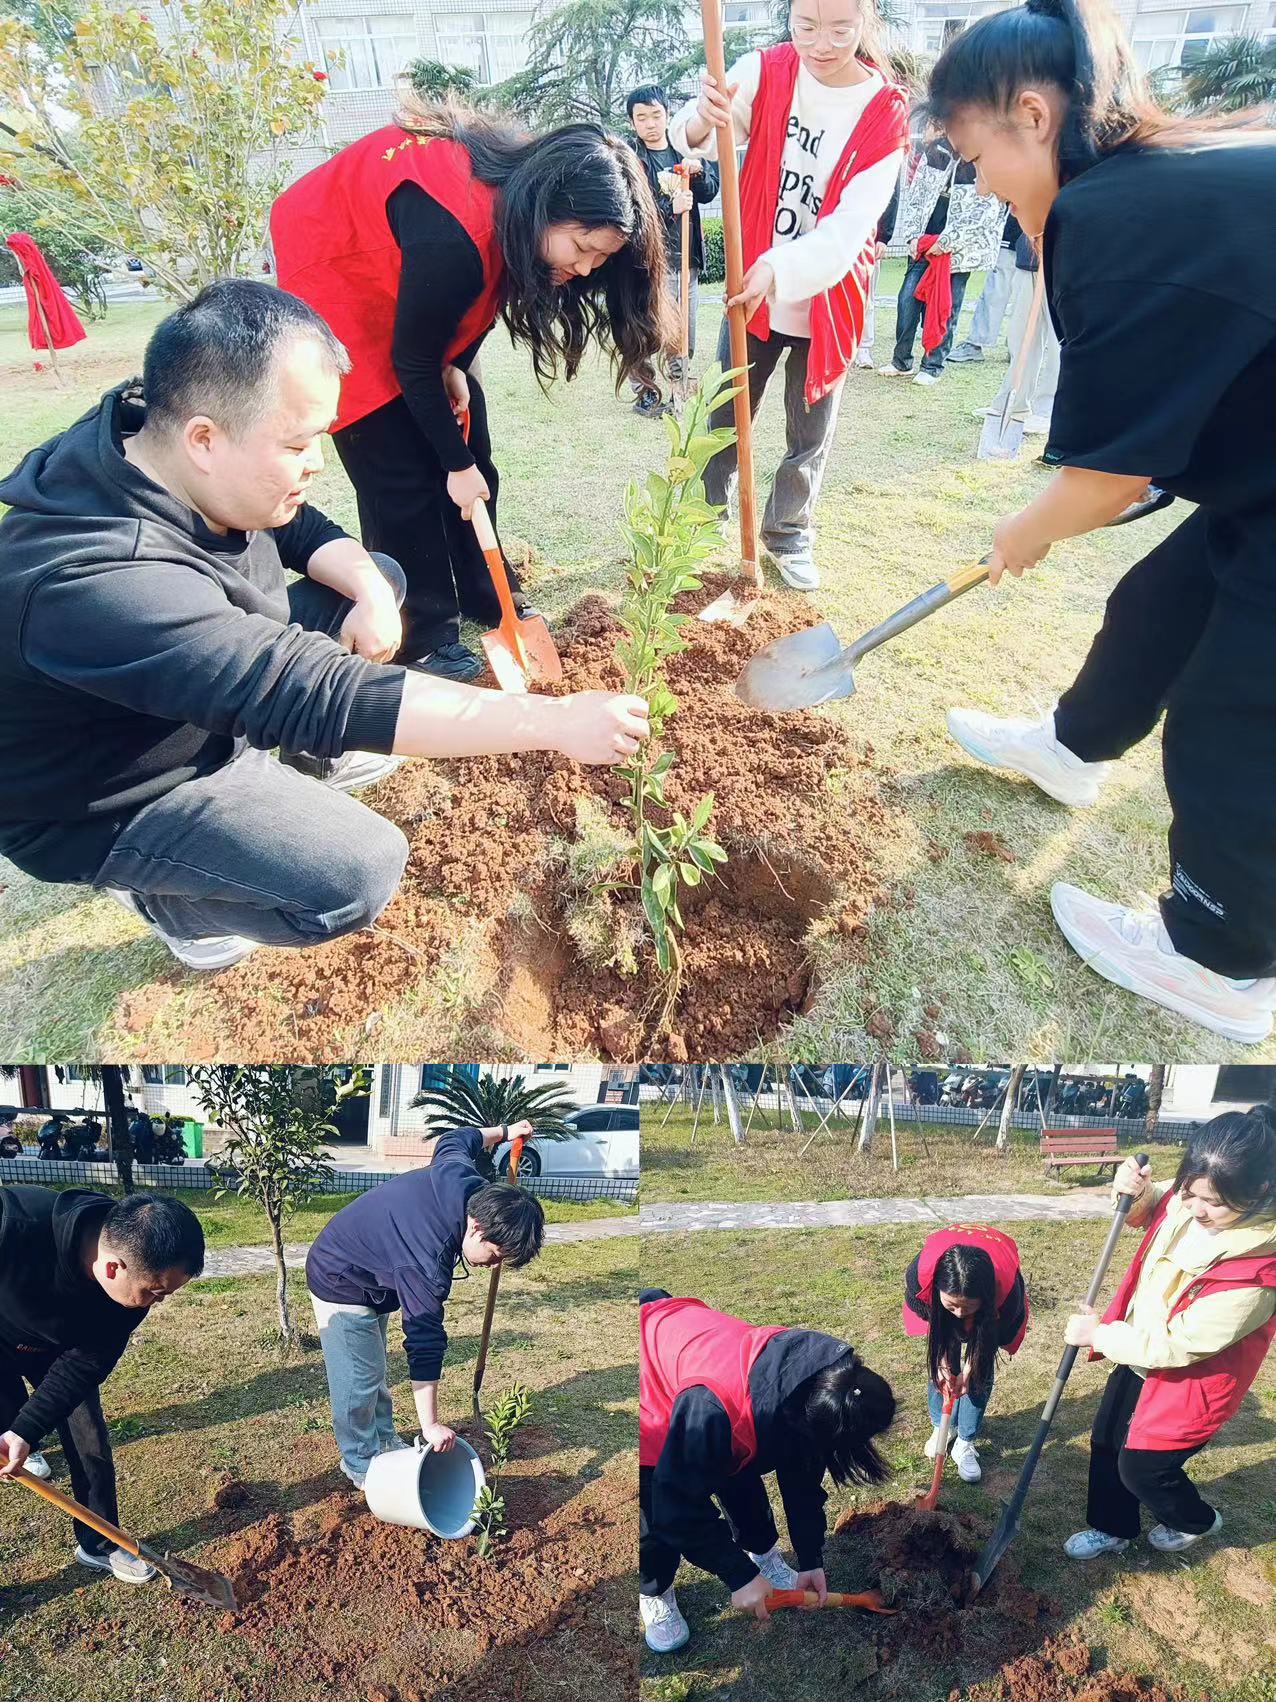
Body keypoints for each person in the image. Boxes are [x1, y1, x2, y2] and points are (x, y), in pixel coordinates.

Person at [0, 282, 649, 975]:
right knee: (356, 874)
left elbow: (297, 526)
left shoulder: (148, 439)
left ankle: (314, 760)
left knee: (383, 580)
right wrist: (553, 724)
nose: (316, 462)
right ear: (204, 439)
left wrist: (370, 588)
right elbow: (312, 691)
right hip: (115, 789)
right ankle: (172, 903)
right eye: (297, 443)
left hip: (202, 682)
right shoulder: (100, 581)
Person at [931, 0, 1276, 1044]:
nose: (976, 182)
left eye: (971, 152)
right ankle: (1072, 747)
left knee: (1235, 710)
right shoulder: (1144, 189)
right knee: (1163, 602)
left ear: (1031, 115)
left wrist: (1024, 531)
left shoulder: (1112, 218)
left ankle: (1222, 958)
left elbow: (1111, 477)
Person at [272, 101, 671, 678]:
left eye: (601, 258)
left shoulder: (518, 211)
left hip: (415, 281)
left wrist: (455, 362)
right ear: (547, 209)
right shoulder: (457, 235)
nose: (586, 269)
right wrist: (452, 463)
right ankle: (424, 636)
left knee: (473, 454)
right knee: (403, 478)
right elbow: (411, 361)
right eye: (582, 248)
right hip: (340, 271)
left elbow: (470, 307)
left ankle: (489, 594)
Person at [669, 0, 907, 591]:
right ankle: (703, 520)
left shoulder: (885, 113)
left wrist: (779, 265)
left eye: (839, 30)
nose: (820, 44)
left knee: (810, 430)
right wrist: (703, 117)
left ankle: (789, 534)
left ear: (865, 25)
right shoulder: (766, 69)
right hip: (753, 290)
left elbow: (852, 228)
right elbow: (691, 137)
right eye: (805, 27)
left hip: (829, 295)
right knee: (727, 412)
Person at [1061, 1107, 1275, 1560]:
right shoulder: (1188, 1201)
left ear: (1259, 1191)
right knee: (1105, 1442)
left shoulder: (1257, 1275)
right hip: (1137, 1352)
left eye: (1212, 1202)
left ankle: (1195, 1520)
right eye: (1190, 1191)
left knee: (1143, 1468)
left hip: (1189, 1377)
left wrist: (1099, 1335)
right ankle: (1112, 1528)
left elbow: (1177, 1344)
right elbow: (1161, 1207)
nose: (1195, 1208)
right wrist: (1137, 1193)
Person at [638, 1290, 895, 1654]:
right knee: (656, 1522)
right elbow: (676, 1506)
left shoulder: (819, 1385)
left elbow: (803, 1477)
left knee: (741, 1481)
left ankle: (765, 1556)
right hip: (655, 1380)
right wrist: (737, 1576)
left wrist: (811, 1559)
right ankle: (655, 1590)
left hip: (708, 1365)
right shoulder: (711, 1411)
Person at [304, 1120, 544, 1488]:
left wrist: (505, 1131)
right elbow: (425, 1339)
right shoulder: (426, 1259)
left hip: (377, 1268)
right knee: (358, 1377)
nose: (493, 1265)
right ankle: (361, 1463)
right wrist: (430, 1424)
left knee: (372, 1368)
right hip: (340, 1275)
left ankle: (384, 1441)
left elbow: (457, 1138)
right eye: (495, 1255)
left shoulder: (460, 1175)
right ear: (477, 1228)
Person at [0, 1189, 205, 1582]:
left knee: (88, 1440)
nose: (157, 1303)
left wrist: (26, 1428)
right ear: (114, 1268)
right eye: (156, 1292)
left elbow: (83, 1366)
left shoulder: (129, 1299)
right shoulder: (13, 1226)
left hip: (60, 1351)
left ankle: (99, 1543)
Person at [877, 127, 1008, 385]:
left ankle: (933, 366)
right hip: (924, 243)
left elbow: (985, 214)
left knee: (946, 309)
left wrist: (948, 242)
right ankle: (901, 360)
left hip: (956, 254)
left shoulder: (984, 159)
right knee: (907, 300)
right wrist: (914, 236)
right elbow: (916, 196)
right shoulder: (935, 151)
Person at [903, 1225, 1029, 1484]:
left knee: (978, 1375)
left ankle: (965, 1441)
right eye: (952, 1305)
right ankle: (942, 1426)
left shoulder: (1008, 1297)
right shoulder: (919, 1279)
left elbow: (994, 1339)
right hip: (942, 1305)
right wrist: (940, 1361)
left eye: (968, 1307)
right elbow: (936, 1327)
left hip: (991, 1317)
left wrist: (972, 1367)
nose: (959, 1314)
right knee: (943, 1369)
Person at [625, 83, 720, 416]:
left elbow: (710, 191)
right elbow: (631, 208)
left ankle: (680, 388)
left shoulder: (685, 149)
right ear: (633, 122)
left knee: (684, 331)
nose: (650, 123)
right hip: (649, 260)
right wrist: (669, 205)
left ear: (666, 115)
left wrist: (699, 169)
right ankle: (646, 390)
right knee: (649, 327)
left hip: (686, 259)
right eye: (642, 117)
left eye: (656, 115)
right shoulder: (631, 159)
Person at [972, 228, 1060, 438]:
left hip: (1064, 262)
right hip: (1028, 258)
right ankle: (1012, 403)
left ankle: (1046, 410)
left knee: (1059, 344)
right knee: (1020, 338)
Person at [950, 211, 1022, 362]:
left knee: (1009, 292)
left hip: (1028, 232)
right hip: (1016, 232)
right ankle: (980, 343)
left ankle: (1016, 347)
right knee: (999, 291)